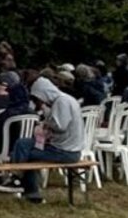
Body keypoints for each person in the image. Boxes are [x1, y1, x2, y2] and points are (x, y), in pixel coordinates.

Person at [9, 75, 84, 203]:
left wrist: (46, 124)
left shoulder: (61, 102)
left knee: (27, 153)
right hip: (68, 148)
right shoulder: (67, 99)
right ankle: (21, 181)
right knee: (23, 143)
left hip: (65, 152)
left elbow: (61, 126)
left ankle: (20, 182)